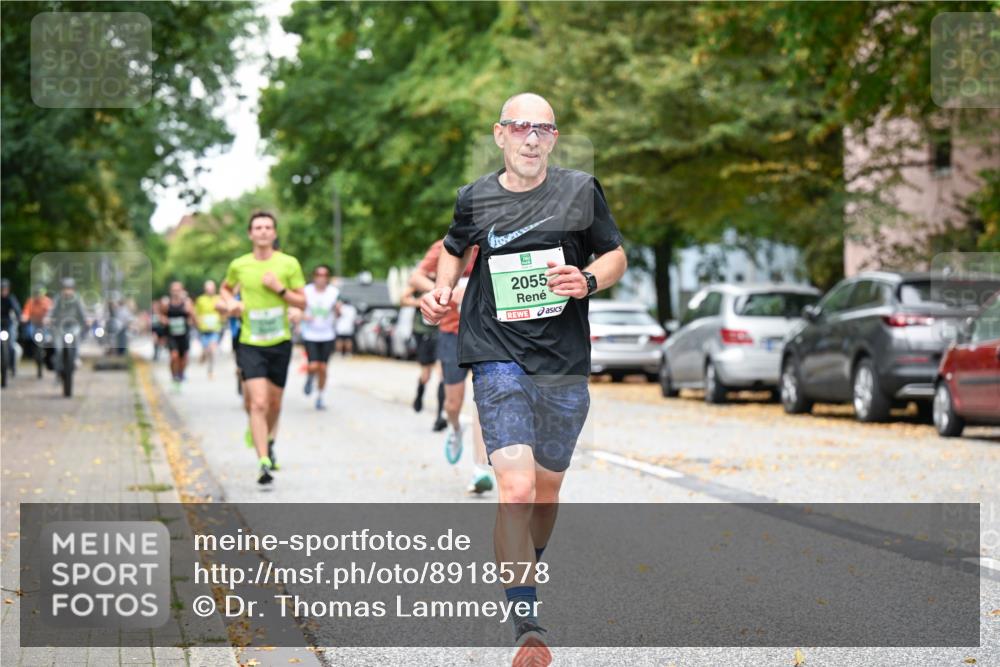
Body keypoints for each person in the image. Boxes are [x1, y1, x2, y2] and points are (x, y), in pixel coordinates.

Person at [420, 93, 627, 659]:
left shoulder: (581, 191)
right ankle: (526, 622)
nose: (531, 138)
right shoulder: (475, 197)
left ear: (554, 138)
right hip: (495, 351)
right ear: (500, 134)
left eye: (543, 129)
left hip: (562, 362)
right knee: (515, 488)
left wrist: (586, 280)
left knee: (546, 490)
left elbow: (615, 257)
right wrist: (442, 289)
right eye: (520, 127)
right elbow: (452, 249)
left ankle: (520, 570)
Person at [218, 211, 306, 485]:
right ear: (250, 234)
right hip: (250, 341)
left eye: (268, 227)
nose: (264, 231)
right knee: (258, 402)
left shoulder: (289, 264)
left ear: (275, 233)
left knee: (274, 403)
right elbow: (225, 289)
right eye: (258, 227)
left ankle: (268, 439)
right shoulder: (239, 265)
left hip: (279, 341)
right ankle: (263, 461)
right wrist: (231, 303)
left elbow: (302, 302)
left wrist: (280, 289)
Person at [411, 240, 494, 495]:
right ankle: (456, 428)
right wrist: (446, 289)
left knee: (484, 400)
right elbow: (416, 277)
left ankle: (480, 469)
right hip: (451, 333)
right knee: (452, 405)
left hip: (487, 332)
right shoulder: (446, 245)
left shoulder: (496, 241)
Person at [399, 282, 445, 429]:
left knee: (442, 372)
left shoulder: (451, 271)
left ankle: (439, 416)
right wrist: (419, 302)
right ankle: (419, 395)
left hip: (443, 331)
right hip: (423, 331)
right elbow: (403, 299)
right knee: (426, 374)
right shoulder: (424, 276)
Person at [301, 264, 340, 410]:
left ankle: (320, 396)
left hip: (327, 334)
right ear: (314, 277)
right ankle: (310, 377)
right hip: (311, 334)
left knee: (323, 367)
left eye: (324, 275)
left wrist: (338, 310)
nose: (321, 278)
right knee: (313, 365)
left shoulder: (333, 293)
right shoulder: (307, 291)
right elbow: (299, 308)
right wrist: (304, 317)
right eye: (319, 275)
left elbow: (338, 313)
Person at [47, 278, 88, 379]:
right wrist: (48, 318)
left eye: (69, 288)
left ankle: (76, 358)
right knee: (58, 348)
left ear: (73, 289)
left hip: (73, 326)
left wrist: (87, 319)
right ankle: (57, 372)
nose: (67, 291)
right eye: (65, 288)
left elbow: (82, 312)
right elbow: (52, 310)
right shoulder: (58, 299)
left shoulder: (77, 299)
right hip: (59, 326)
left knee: (77, 336)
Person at [162, 281, 194, 390]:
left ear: (182, 291)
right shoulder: (166, 303)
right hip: (172, 335)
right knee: (174, 356)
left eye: (178, 290)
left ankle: (180, 374)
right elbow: (161, 315)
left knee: (183, 359)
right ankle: (174, 377)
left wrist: (190, 315)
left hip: (184, 335)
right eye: (174, 290)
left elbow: (193, 316)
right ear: (170, 291)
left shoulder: (187, 303)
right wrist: (165, 320)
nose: (176, 292)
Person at [194, 280, 223, 378]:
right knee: (207, 350)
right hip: (203, 329)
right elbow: (196, 313)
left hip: (215, 328)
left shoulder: (219, 298)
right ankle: (203, 355)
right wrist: (197, 321)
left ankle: (210, 371)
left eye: (212, 288)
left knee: (212, 349)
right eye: (208, 289)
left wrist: (222, 316)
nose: (210, 290)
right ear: (205, 289)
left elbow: (223, 312)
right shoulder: (200, 300)